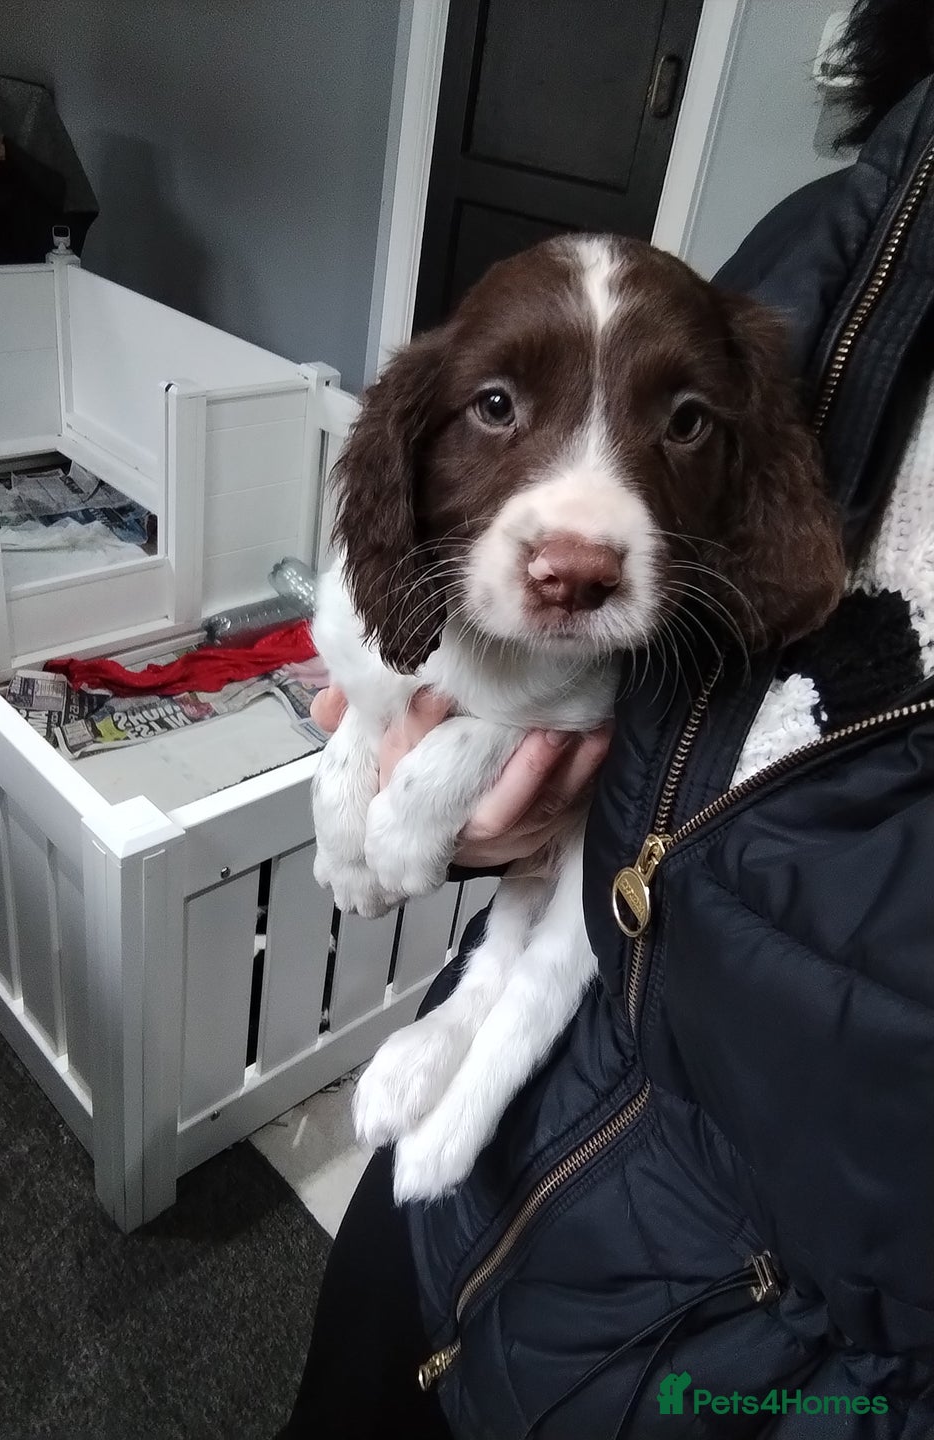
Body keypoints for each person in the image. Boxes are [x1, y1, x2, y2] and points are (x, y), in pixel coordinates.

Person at [280, 4, 934, 1433]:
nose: (578, 540)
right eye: (498, 407)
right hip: (528, 1105)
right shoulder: (834, 246)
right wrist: (498, 814)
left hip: (774, 1313)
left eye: (677, 424)